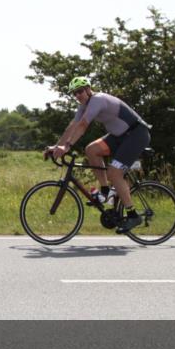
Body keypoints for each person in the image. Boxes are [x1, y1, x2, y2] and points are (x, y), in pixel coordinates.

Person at [45, 77, 151, 233]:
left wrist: (67, 146)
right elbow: (72, 126)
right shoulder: (83, 105)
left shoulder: (98, 99)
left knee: (114, 173)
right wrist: (57, 146)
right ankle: (105, 190)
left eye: (80, 91)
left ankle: (133, 215)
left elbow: (82, 125)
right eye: (75, 93)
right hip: (119, 136)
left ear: (88, 89)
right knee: (91, 150)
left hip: (136, 134)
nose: (78, 95)